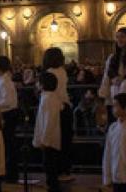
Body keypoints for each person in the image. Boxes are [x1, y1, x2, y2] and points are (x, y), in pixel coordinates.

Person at [43, 47, 74, 182]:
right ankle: (65, 170)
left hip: (55, 107)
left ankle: (55, 171)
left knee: (54, 139)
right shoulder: (62, 71)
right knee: (65, 140)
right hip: (65, 106)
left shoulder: (49, 73)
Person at [33, 72, 62, 192]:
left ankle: (52, 185)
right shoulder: (50, 97)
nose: (37, 84)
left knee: (49, 163)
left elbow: (49, 120)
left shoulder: (48, 98)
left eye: (38, 82)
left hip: (48, 138)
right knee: (50, 162)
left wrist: (44, 138)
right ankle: (51, 183)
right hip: (50, 136)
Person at [0, 56, 19, 181]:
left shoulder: (4, 82)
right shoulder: (3, 80)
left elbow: (7, 101)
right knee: (7, 143)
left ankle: (11, 173)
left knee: (8, 144)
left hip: (7, 114)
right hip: (7, 113)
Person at [102, 28, 126, 112]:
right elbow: (106, 76)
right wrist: (104, 93)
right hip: (113, 94)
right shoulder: (112, 57)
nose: (119, 40)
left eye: (122, 37)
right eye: (117, 37)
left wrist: (124, 80)